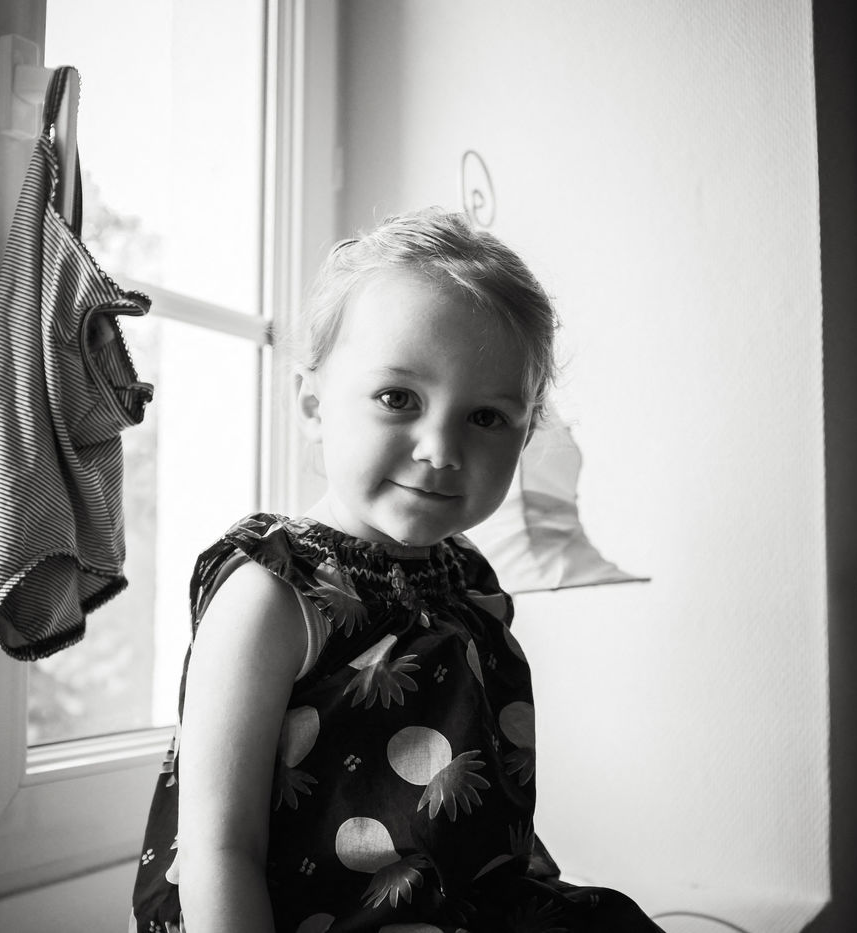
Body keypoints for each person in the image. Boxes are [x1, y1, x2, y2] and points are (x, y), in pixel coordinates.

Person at [132, 208, 661, 932]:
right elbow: (219, 852)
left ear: (526, 431)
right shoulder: (272, 592)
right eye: (398, 398)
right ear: (313, 404)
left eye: (486, 417)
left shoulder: (467, 579)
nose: (440, 449)